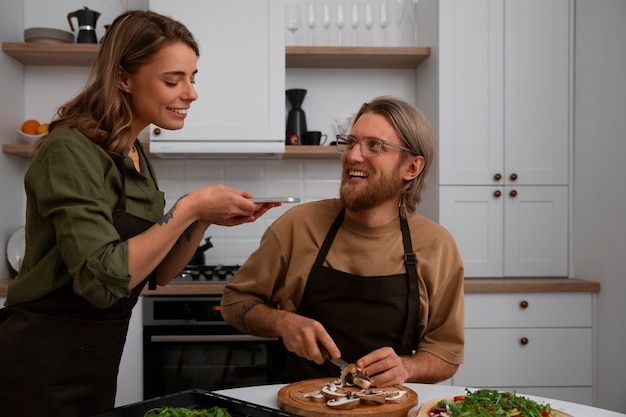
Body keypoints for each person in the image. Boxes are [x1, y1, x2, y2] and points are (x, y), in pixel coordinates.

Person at [0, 10, 278, 417]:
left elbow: (158, 273)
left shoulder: (135, 156)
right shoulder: (69, 149)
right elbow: (103, 280)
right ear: (123, 78)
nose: (191, 93)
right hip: (38, 361)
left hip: (95, 360)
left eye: (192, 78)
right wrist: (188, 207)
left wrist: (203, 219)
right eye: (173, 80)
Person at [221, 96, 464, 387]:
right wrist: (282, 322)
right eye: (350, 142)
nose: (353, 156)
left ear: (411, 168)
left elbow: (446, 354)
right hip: (299, 407)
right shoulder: (297, 226)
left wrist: (407, 367)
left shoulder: (437, 246)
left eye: (374, 146)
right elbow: (234, 302)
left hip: (390, 410)